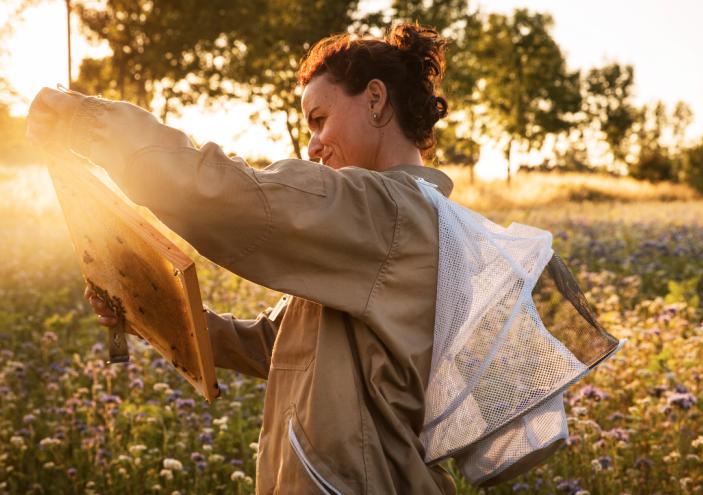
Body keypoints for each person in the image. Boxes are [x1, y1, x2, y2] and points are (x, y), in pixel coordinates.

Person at [28, 23, 461, 493]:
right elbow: (278, 345)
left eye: (319, 119)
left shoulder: (389, 214)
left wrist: (88, 121)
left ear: (375, 100)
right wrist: (148, 310)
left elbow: (230, 195)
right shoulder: (386, 225)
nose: (313, 145)